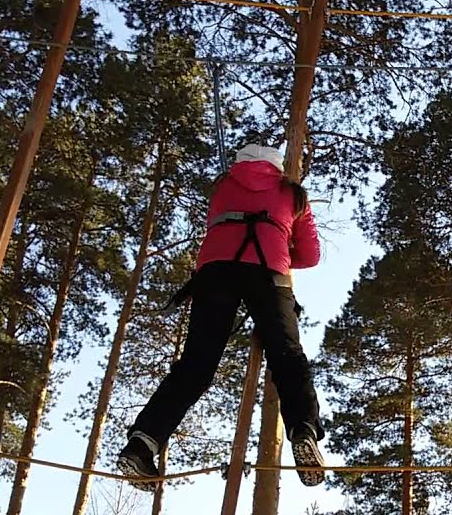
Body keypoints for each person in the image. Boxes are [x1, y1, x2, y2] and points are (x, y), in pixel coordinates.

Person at [117, 144, 327, 489]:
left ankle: (143, 443)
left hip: (215, 274)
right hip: (268, 274)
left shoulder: (222, 186)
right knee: (287, 355)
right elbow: (311, 255)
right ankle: (303, 430)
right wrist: (281, 244)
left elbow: (217, 227)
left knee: (196, 365)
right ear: (276, 166)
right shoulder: (293, 194)